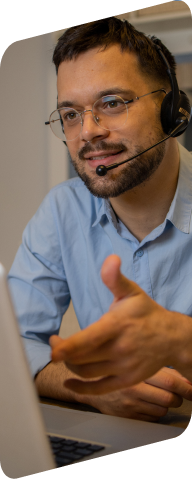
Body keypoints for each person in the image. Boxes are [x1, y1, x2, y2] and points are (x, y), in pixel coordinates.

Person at [8, 17, 192, 423]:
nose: (87, 132)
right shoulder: (63, 210)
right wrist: (88, 384)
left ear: (172, 110)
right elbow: (11, 344)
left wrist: (182, 342)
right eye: (71, 113)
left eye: (112, 103)